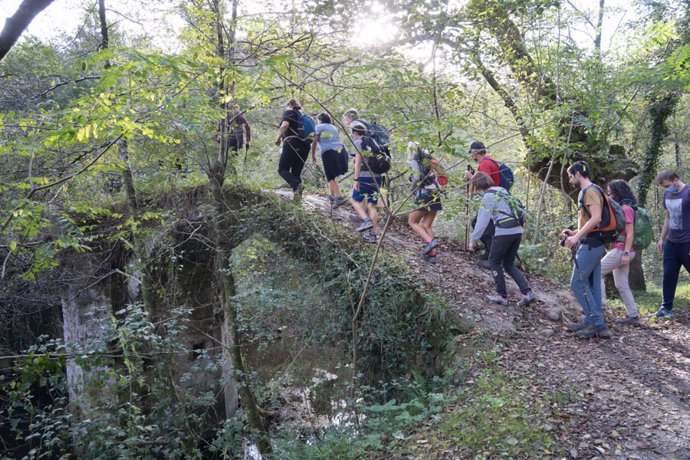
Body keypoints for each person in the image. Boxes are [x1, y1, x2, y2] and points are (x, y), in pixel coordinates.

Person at [468, 172, 536, 306]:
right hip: (517, 231)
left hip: (504, 232)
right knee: (508, 263)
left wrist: (472, 240)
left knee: (494, 261)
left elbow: (481, 222)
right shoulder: (502, 191)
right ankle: (527, 293)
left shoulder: (488, 196)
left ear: (479, 186)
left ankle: (502, 295)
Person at [562, 161, 610, 338]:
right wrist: (575, 232)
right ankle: (594, 322)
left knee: (577, 283)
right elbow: (592, 223)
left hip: (591, 245)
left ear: (577, 174)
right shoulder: (593, 190)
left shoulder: (590, 191)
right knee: (592, 284)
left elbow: (596, 218)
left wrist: (576, 237)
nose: (569, 179)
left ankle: (596, 323)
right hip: (594, 242)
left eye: (570, 176)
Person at [600, 180, 640, 325]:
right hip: (623, 249)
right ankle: (633, 315)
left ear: (617, 192)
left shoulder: (626, 209)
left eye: (610, 192)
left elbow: (630, 234)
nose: (609, 195)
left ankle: (600, 309)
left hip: (622, 250)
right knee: (622, 284)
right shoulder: (623, 208)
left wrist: (625, 254)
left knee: (596, 271)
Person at [655, 170, 690, 319]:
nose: (666, 189)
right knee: (669, 275)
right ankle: (666, 308)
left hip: (687, 242)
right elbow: (668, 217)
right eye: (664, 187)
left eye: (668, 185)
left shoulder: (688, 192)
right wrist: (662, 238)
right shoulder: (667, 195)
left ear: (676, 180)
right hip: (672, 242)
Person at [465, 141, 500, 268]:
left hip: (492, 201)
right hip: (496, 199)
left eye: (472, 153)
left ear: (475, 152)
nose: (472, 156)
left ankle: (492, 257)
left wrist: (471, 177)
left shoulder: (485, 163)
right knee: (489, 228)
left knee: (483, 226)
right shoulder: (490, 160)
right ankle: (491, 254)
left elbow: (485, 183)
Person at [407, 141, 441, 263]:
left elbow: (416, 177)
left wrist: (411, 191)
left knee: (412, 221)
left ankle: (430, 242)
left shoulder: (415, 159)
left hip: (424, 193)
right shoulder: (429, 158)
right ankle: (431, 254)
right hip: (436, 192)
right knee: (427, 225)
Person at [350, 121, 382, 243]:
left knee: (354, 200)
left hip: (364, 176)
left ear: (355, 132)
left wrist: (356, 179)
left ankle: (366, 221)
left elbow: (358, 162)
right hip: (377, 177)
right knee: (371, 205)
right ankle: (373, 235)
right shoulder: (374, 142)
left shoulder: (359, 142)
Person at [275, 99, 310, 200]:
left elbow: (284, 125)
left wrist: (277, 138)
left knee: (282, 169)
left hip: (292, 143)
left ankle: (297, 185)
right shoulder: (302, 116)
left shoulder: (289, 112)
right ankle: (297, 199)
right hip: (305, 146)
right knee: (296, 173)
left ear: (289, 105)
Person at [311, 112, 347, 208]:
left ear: (320, 119)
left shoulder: (319, 127)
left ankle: (339, 197)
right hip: (340, 151)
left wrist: (313, 155)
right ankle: (331, 196)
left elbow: (314, 142)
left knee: (330, 176)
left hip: (328, 152)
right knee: (331, 175)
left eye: (317, 120)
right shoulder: (334, 127)